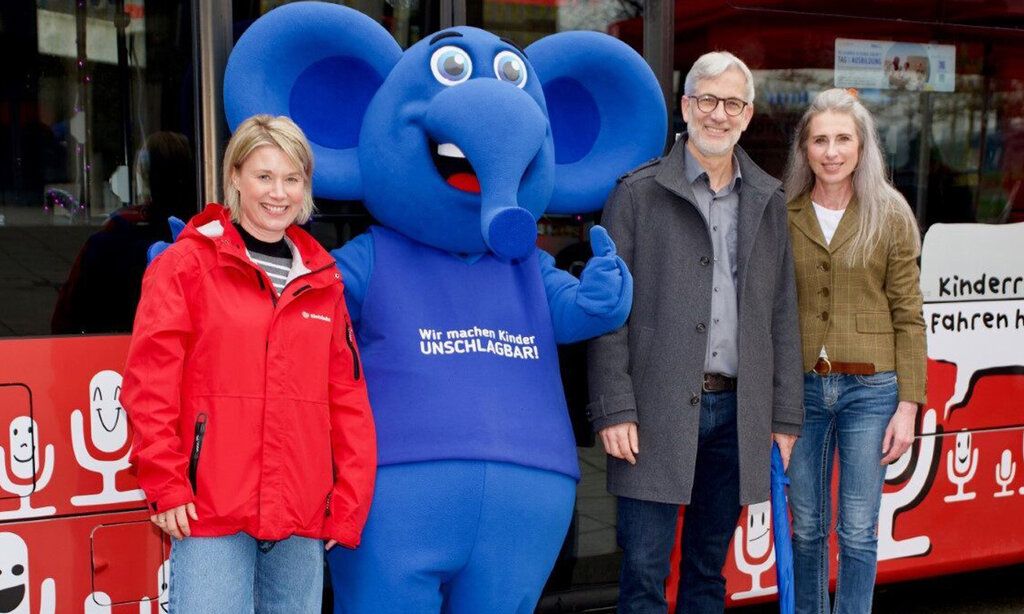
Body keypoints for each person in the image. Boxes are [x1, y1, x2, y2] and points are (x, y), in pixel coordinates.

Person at [121, 115, 376, 613]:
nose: (278, 193)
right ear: (234, 178)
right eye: (264, 176)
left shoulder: (323, 278)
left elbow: (347, 400)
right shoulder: (186, 265)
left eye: (292, 178)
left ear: (305, 188)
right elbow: (150, 385)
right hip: (209, 506)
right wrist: (166, 483)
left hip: (300, 511)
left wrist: (348, 501)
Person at [587, 51, 804, 613]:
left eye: (732, 103)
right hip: (654, 411)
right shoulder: (635, 195)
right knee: (642, 573)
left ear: (748, 115)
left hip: (738, 414)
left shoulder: (768, 201)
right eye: (707, 99)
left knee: (708, 573)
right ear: (686, 107)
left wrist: (782, 418)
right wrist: (614, 407)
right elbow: (608, 312)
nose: (719, 114)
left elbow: (782, 313)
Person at [782, 88, 926, 614]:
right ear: (805, 149)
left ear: (863, 147)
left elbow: (909, 314)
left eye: (844, 138)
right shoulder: (783, 212)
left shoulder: (889, 213)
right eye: (820, 140)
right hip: (801, 390)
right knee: (807, 527)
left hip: (871, 390)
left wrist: (909, 406)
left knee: (860, 529)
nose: (832, 151)